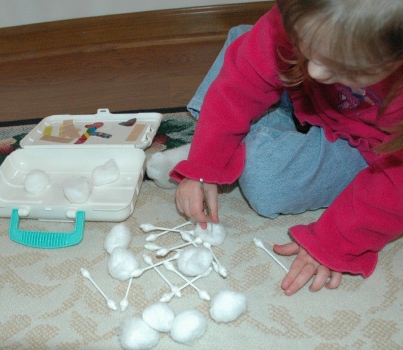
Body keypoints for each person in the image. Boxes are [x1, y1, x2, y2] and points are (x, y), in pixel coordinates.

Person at [157, 0, 403, 296]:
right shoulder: (303, 18)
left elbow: (395, 187)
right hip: (303, 95)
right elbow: (243, 80)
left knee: (267, 182)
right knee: (247, 45)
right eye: (305, 43)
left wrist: (335, 241)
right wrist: (205, 161)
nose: (317, 71)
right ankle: (216, 146)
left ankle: (227, 143)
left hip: (373, 149)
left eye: (343, 66)